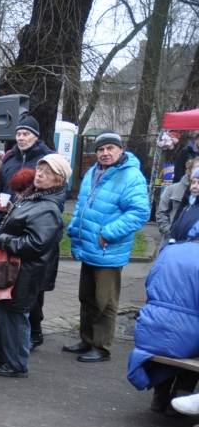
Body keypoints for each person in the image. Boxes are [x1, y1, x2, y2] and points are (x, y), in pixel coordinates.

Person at [64, 132, 149, 363]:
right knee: (87, 297)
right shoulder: (94, 171)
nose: (105, 153)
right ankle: (86, 339)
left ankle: (101, 347)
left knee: (105, 301)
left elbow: (139, 212)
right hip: (89, 247)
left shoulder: (131, 176)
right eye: (101, 149)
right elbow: (82, 205)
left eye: (111, 148)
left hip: (108, 249)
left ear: (121, 150)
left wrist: (108, 232)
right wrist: (74, 230)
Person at [0, 154, 67, 377]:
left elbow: (36, 244)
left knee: (15, 315)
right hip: (15, 267)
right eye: (40, 169)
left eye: (47, 172)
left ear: (59, 179)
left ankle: (16, 364)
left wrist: (2, 241)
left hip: (25, 271)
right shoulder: (36, 197)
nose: (40, 174)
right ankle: (0, 355)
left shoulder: (48, 207)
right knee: (5, 311)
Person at [128, 219, 199, 412]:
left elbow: (150, 282)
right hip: (187, 335)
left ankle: (160, 396)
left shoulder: (170, 250)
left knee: (175, 340)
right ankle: (180, 399)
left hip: (150, 327)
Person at [156, 160, 198, 248]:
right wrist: (169, 232)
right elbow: (161, 212)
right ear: (190, 170)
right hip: (171, 242)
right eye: (196, 167)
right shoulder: (172, 189)